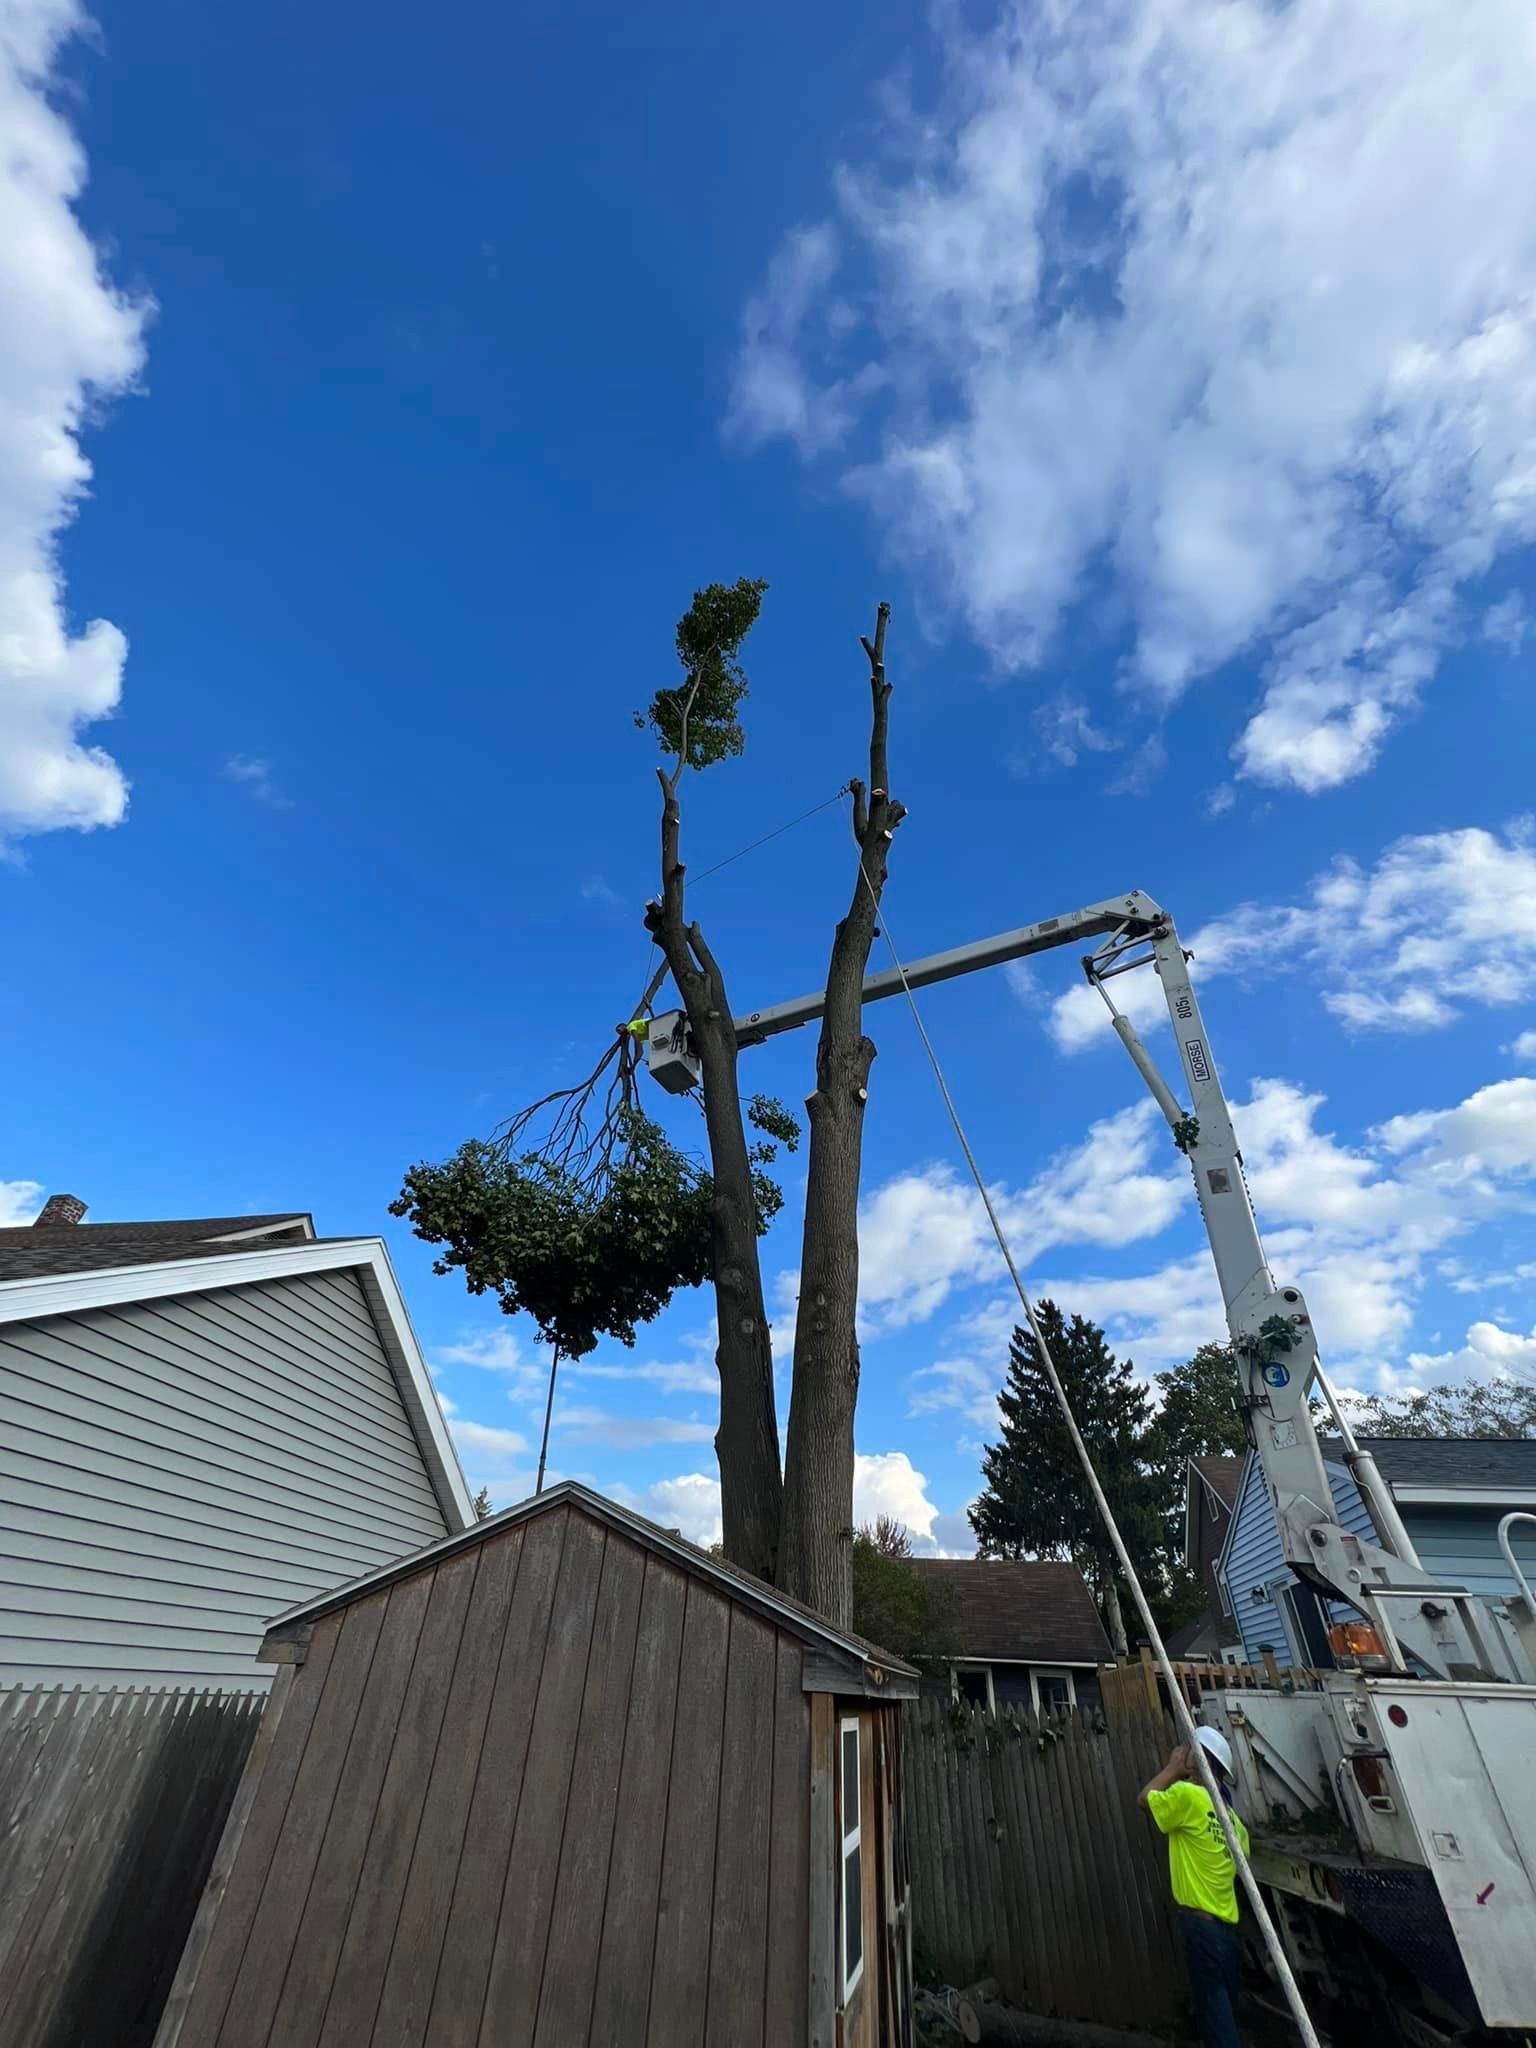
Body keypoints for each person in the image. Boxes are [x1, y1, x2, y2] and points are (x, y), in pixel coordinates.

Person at [1139, 1725, 1250, 2048]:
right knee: (1225, 2010)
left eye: (1185, 1748)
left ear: (1196, 1760)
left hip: (1201, 1927)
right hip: (1228, 1932)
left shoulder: (1188, 1796)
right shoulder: (1234, 1822)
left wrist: (1173, 1770)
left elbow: (1144, 1799)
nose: (1178, 1750)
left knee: (1216, 2020)